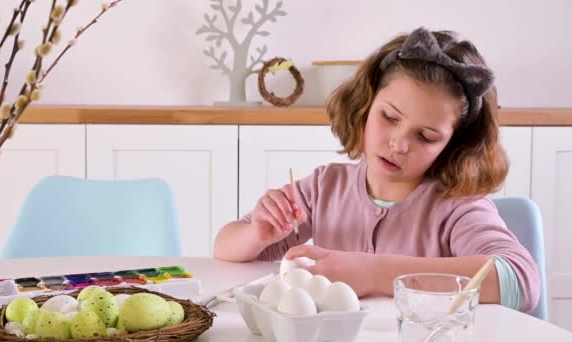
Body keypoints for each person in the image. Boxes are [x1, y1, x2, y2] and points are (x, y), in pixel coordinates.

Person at [213, 27, 539, 313]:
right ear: (366, 104)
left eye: (425, 136)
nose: (399, 144)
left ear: (453, 145)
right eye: (390, 117)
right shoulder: (325, 187)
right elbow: (225, 249)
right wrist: (257, 232)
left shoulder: (457, 206)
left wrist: (373, 272)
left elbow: (520, 282)